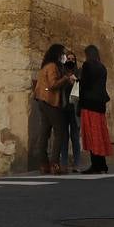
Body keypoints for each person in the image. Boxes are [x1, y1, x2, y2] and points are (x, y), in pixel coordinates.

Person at [33, 43, 75, 174]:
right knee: (60, 131)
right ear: (57, 54)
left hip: (42, 100)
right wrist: (66, 78)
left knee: (44, 132)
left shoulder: (45, 66)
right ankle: (54, 164)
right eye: (62, 53)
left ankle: (43, 164)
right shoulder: (52, 66)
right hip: (50, 101)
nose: (64, 56)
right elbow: (53, 84)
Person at [77, 45, 113, 173]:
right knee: (99, 134)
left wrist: (77, 78)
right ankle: (102, 164)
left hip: (89, 104)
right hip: (100, 105)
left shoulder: (87, 66)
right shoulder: (102, 67)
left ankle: (96, 165)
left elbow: (85, 84)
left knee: (92, 135)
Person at [57, 50, 83, 172]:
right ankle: (64, 164)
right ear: (65, 60)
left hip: (74, 108)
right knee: (64, 137)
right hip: (63, 107)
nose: (71, 61)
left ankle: (77, 163)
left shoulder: (78, 72)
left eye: (73, 59)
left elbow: (82, 86)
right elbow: (57, 85)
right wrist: (66, 79)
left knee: (75, 136)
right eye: (69, 59)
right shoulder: (61, 72)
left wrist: (76, 80)